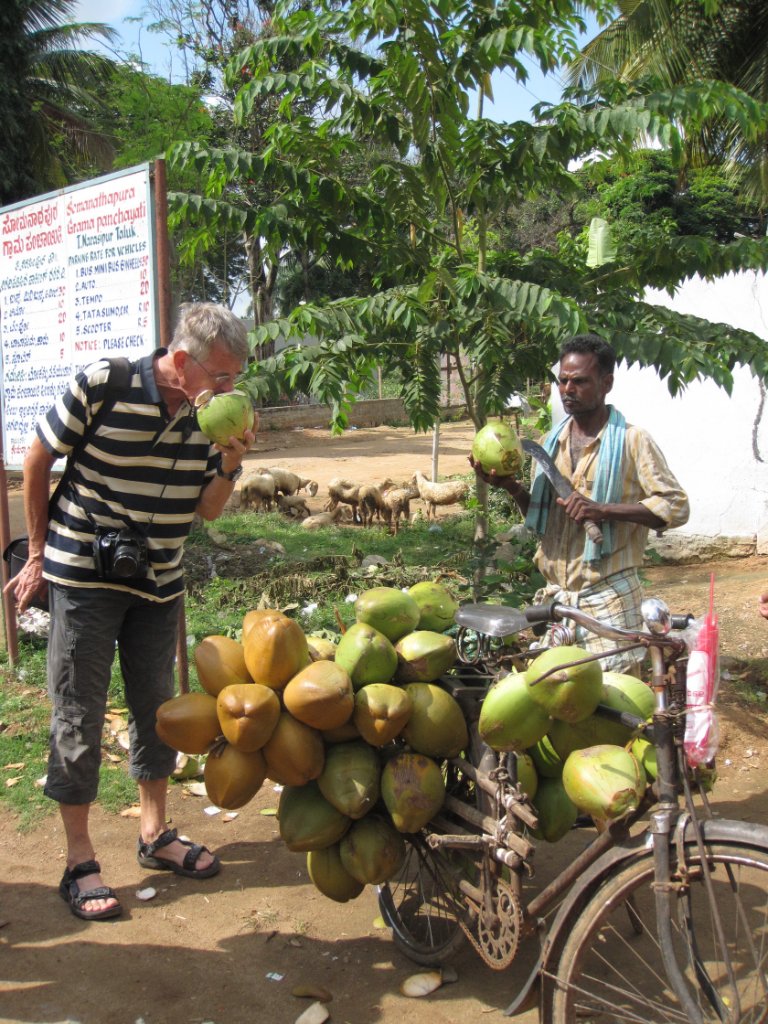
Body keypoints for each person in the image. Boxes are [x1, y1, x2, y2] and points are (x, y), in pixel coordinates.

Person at [5, 302, 256, 921]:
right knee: (78, 712)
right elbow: (38, 458)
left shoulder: (208, 421)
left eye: (235, 378)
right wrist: (35, 553)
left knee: (160, 710)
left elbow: (211, 509)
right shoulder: (105, 384)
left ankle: (155, 832)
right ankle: (80, 859)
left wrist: (230, 460)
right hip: (83, 577)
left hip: (159, 583)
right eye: (220, 378)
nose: (231, 390)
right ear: (180, 361)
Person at [472, 333, 690, 674]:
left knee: (613, 705)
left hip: (608, 598)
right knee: (556, 704)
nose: (568, 390)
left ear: (606, 383)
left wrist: (602, 510)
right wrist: (512, 487)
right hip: (557, 603)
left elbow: (676, 506)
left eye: (580, 381)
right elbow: (543, 520)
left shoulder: (633, 442)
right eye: (563, 381)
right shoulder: (550, 443)